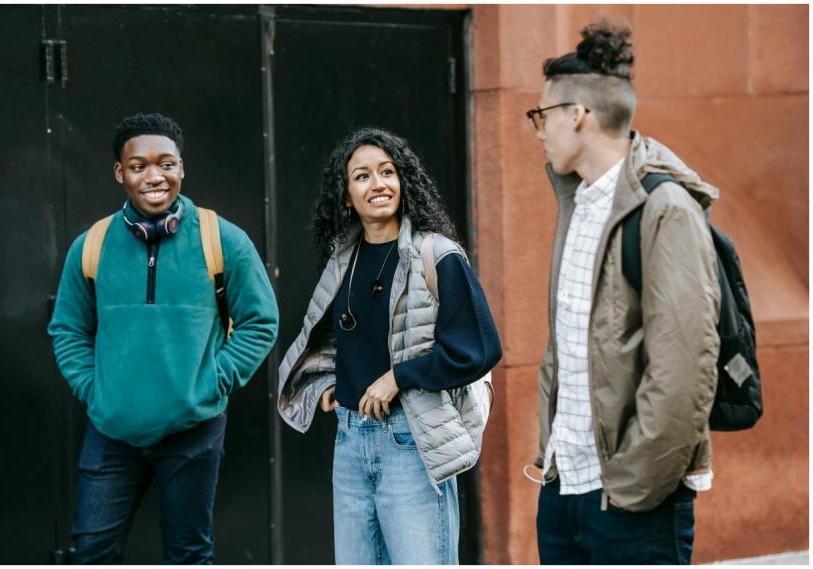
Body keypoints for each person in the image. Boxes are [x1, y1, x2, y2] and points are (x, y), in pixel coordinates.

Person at [526, 21, 721, 564]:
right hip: (564, 487)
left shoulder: (664, 209)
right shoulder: (578, 202)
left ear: (577, 114)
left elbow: (684, 369)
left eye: (542, 116)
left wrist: (634, 484)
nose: (538, 131)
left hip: (632, 502)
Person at [47, 112, 279, 564]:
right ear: (120, 173)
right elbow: (68, 328)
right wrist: (95, 390)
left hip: (193, 429)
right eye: (139, 166)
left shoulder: (221, 239)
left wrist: (211, 383)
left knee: (188, 553)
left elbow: (260, 321)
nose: (154, 176)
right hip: (112, 430)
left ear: (182, 168)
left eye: (166, 164)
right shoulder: (91, 245)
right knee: (92, 550)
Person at [277, 127, 502, 565]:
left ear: (403, 181)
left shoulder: (437, 254)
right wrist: (325, 384)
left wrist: (399, 377)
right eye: (362, 176)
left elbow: (479, 348)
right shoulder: (342, 259)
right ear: (346, 196)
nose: (377, 184)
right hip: (350, 440)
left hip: (411, 440)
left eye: (387, 172)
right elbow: (328, 335)